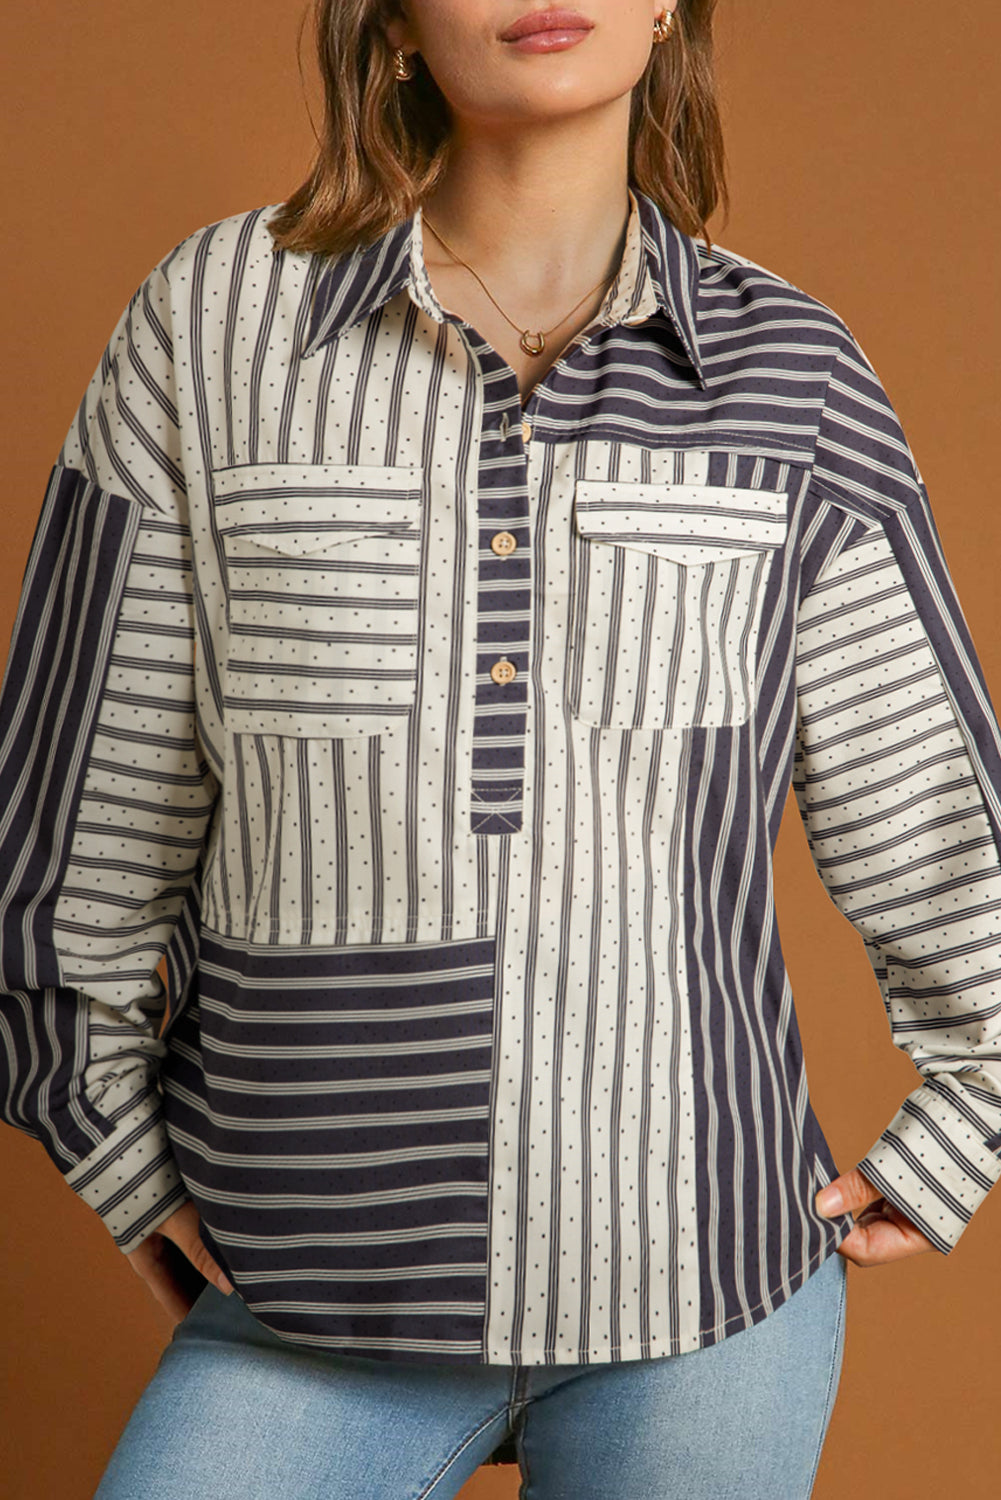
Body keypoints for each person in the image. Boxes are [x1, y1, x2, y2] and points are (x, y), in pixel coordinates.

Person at [2, 2, 1000, 1496]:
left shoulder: (792, 372)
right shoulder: (210, 326)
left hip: (705, 1295)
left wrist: (968, 1122)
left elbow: (939, 810)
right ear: (395, 22)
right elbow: (69, 808)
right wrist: (115, 1145)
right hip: (307, 1298)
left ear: (667, 7)